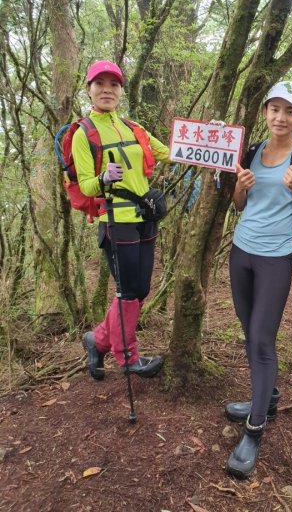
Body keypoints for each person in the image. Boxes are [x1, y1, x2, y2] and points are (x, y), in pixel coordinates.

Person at [224, 81, 292, 479]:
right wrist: (239, 188)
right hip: (240, 252)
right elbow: (239, 204)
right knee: (250, 334)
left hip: (275, 259)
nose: (281, 117)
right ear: (265, 112)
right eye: (274, 109)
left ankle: (254, 429)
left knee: (262, 341)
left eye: (290, 111)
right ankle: (266, 397)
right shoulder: (252, 151)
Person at [73, 60, 170, 380]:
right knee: (128, 290)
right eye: (99, 84)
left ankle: (98, 339)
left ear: (121, 91)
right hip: (115, 219)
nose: (107, 90)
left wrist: (211, 137)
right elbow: (85, 184)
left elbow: (170, 152)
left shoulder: (134, 128)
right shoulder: (83, 133)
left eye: (113, 84)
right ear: (89, 89)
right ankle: (127, 356)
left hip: (145, 217)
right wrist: (103, 178)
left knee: (140, 289)